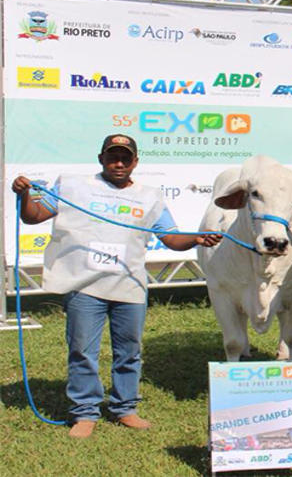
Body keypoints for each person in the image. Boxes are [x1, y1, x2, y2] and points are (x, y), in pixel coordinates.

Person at [12, 134, 222, 438]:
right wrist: (26, 195)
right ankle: (85, 412)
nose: (119, 163)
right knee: (83, 350)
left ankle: (125, 408)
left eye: (125, 157)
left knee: (130, 351)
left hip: (129, 285)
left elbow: (172, 238)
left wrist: (197, 238)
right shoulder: (72, 186)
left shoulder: (150, 196)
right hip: (85, 285)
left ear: (136, 162)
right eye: (112, 157)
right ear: (101, 159)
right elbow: (33, 217)